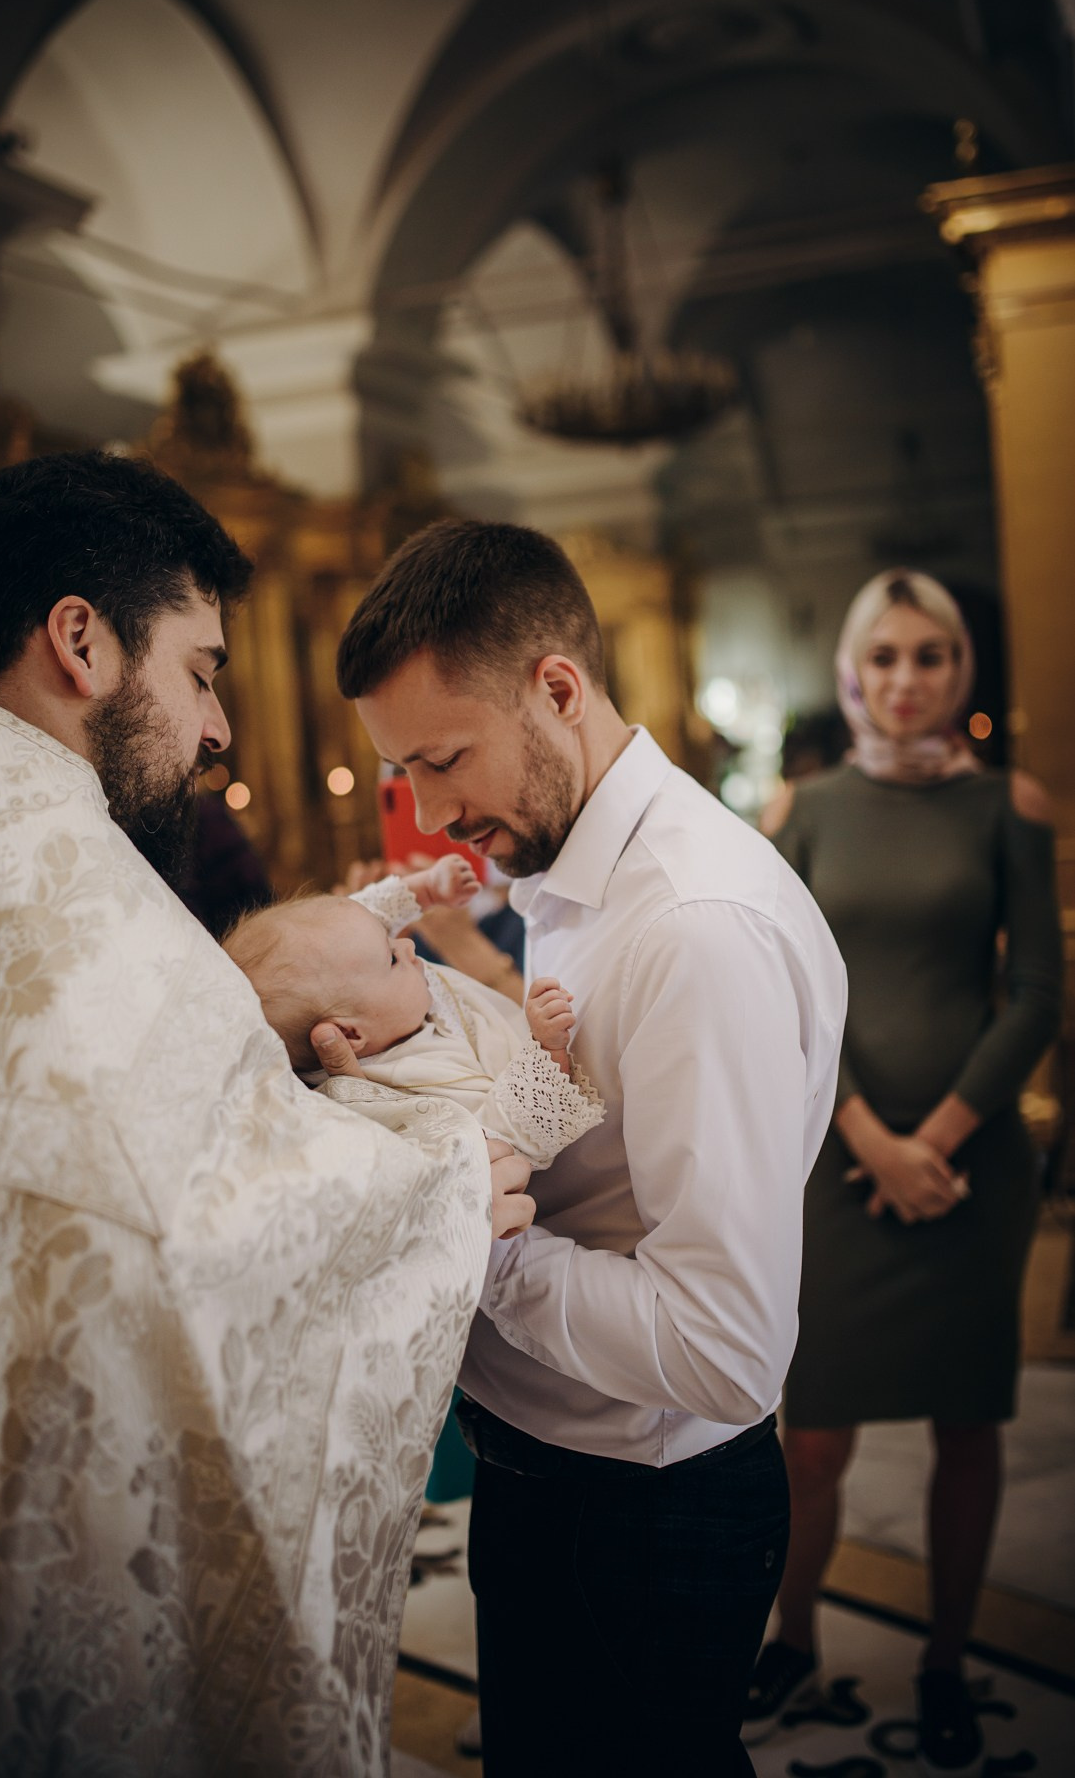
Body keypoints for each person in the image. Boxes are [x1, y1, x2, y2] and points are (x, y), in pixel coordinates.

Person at [0, 452, 533, 1777]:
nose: (219, 726)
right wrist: (448, 1185)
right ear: (81, 642)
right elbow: (188, 1230)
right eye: (199, 671)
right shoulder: (63, 891)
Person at [310, 518, 848, 1777]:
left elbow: (723, 1351)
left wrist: (467, 1237)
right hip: (554, 1468)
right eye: (402, 773)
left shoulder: (694, 929)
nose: (432, 814)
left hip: (640, 1511)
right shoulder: (571, 864)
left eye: (444, 760)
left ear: (557, 688)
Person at [747, 570, 1062, 1772]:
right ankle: (792, 1639)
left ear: (959, 669)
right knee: (813, 1434)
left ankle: (942, 1662)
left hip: (972, 1172)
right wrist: (874, 1140)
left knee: (966, 1425)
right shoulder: (802, 808)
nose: (905, 679)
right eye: (883, 656)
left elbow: (1034, 992)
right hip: (837, 1162)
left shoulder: (1006, 804)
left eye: (930, 655)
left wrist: (937, 1140)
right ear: (851, 671)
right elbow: (775, 988)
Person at [225, 852, 604, 1165]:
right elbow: (510, 1133)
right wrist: (546, 1047)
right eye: (392, 958)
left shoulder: (367, 995)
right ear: (351, 1034)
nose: (407, 947)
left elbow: (361, 919)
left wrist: (426, 889)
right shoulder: (415, 1088)